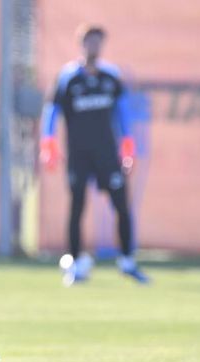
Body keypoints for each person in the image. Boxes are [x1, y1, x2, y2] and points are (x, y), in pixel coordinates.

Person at [40, 25, 149, 286]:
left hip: (107, 155)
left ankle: (127, 261)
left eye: (98, 42)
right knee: (77, 206)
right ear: (81, 44)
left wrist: (127, 146)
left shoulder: (111, 77)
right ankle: (76, 262)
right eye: (89, 42)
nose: (94, 47)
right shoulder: (68, 77)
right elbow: (52, 111)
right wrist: (49, 142)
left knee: (122, 205)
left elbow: (122, 114)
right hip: (79, 155)